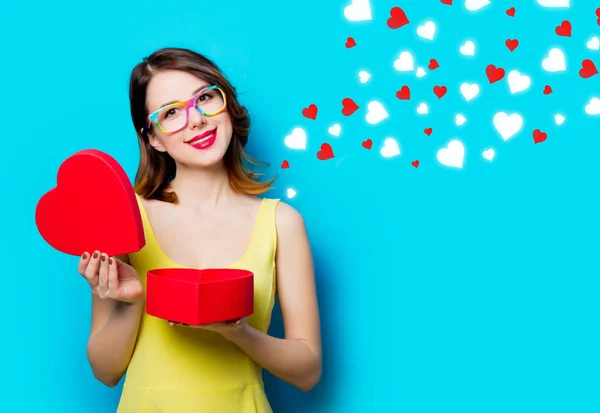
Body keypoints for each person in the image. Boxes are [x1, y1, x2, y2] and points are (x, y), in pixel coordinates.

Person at [76, 47, 322, 413]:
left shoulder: (282, 222)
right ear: (153, 138)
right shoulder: (123, 217)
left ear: (227, 106)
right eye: (171, 113)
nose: (195, 120)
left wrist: (237, 332)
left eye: (205, 98)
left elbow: (308, 371)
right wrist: (131, 305)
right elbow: (105, 371)